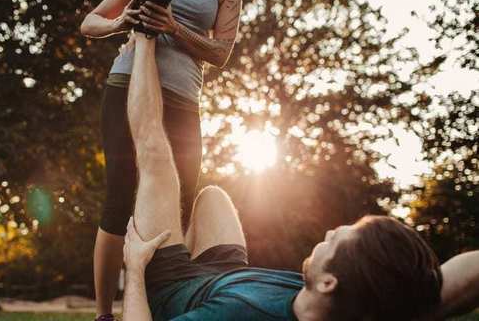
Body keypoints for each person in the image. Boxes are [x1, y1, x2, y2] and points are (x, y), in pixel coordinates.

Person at [120, 29, 479, 320]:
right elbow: (467, 275)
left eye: (337, 240)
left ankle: (143, 36)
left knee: (156, 154)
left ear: (327, 282)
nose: (329, 232)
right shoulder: (370, 297)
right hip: (227, 277)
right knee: (213, 196)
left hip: (174, 287)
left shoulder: (239, 316)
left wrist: (135, 271)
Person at [80, 0, 242, 319]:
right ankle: (104, 314)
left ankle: (166, 304)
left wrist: (172, 26)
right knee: (119, 196)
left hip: (184, 101)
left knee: (178, 204)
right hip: (128, 86)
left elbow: (220, 54)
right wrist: (120, 22)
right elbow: (89, 22)